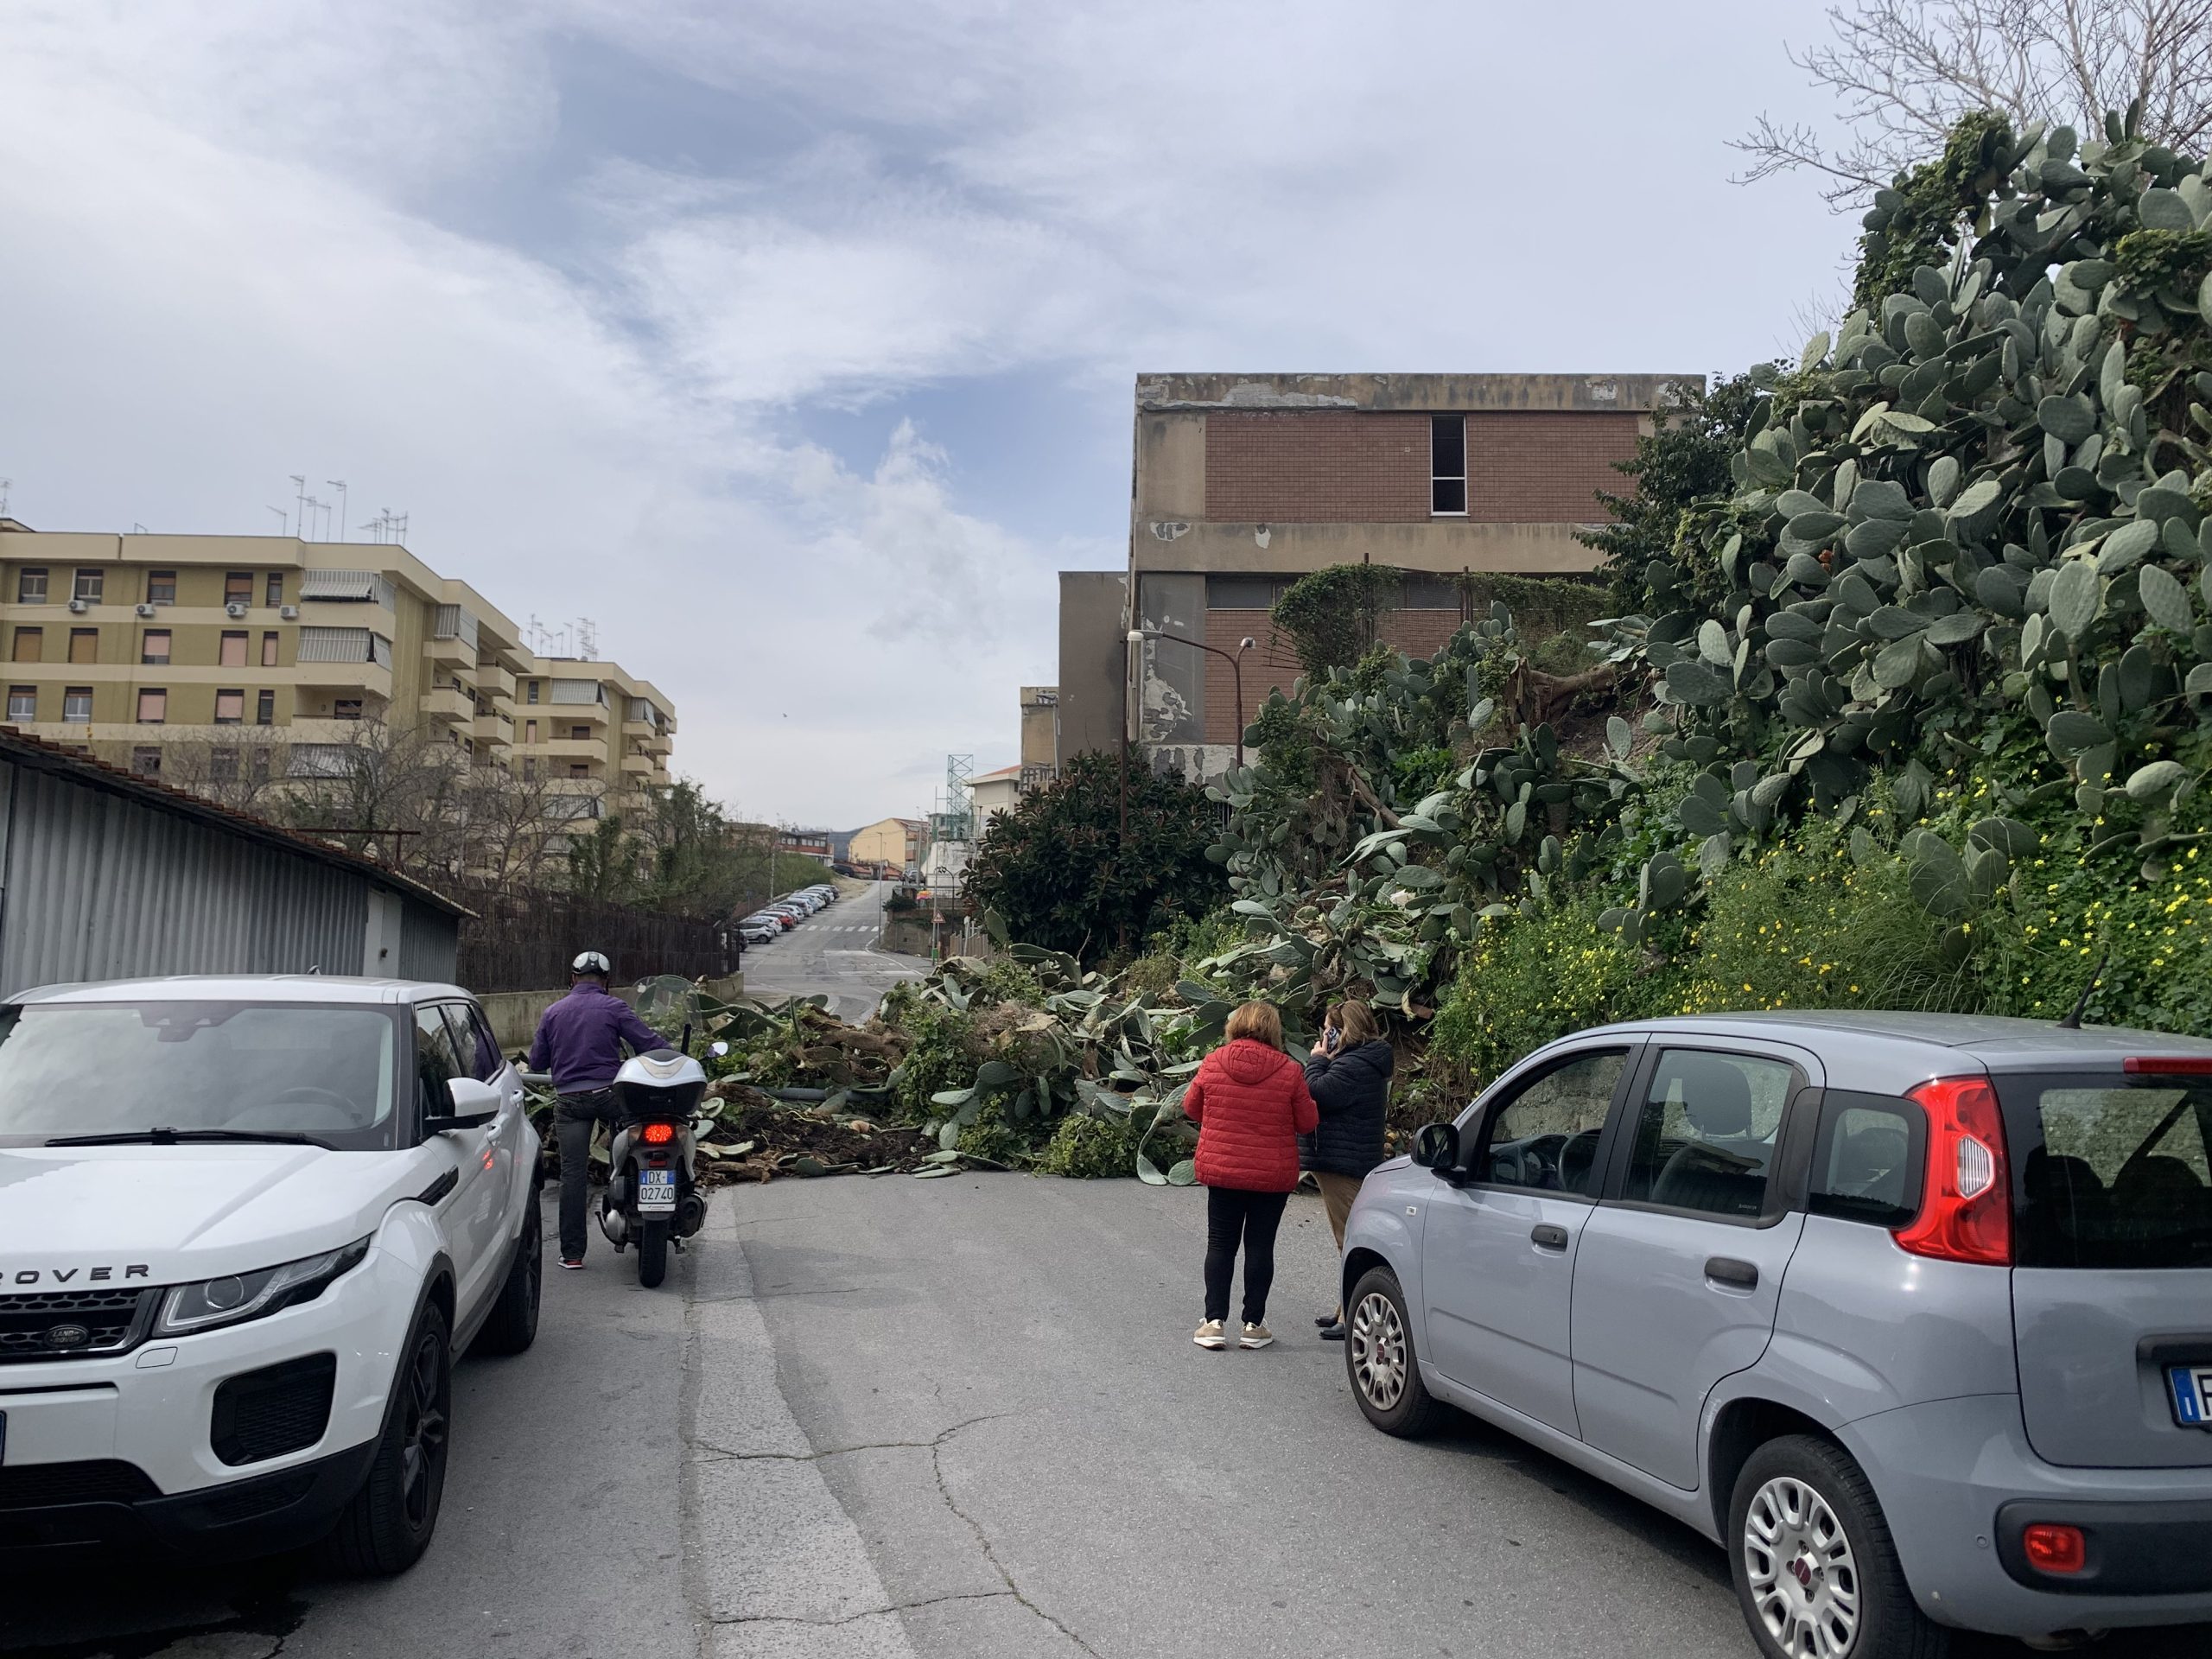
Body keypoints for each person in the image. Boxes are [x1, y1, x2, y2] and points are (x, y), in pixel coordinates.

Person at [1180, 1001, 1317, 1351]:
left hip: (1224, 1171)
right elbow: (1307, 1122)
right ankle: (1253, 1325)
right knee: (1260, 1246)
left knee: (1221, 1244)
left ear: (1235, 1026)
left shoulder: (1214, 1061)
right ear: (1273, 1029)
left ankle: (1213, 1323)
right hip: (1271, 1175)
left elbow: (1191, 1108)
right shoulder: (1289, 1070)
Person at [529, 950, 663, 1270]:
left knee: (572, 1175)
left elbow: (536, 1063)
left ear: (572, 978)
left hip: (570, 1100)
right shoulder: (614, 1007)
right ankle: (633, 1209)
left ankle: (572, 1254)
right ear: (606, 981)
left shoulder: (553, 1012)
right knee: (634, 1151)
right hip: (610, 1096)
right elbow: (649, 1045)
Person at [1300, 1001, 1393, 1341]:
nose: (1324, 1034)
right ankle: (1345, 1308)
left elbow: (1316, 1091)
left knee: (1350, 1240)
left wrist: (1317, 1058)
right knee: (1346, 1238)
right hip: (1342, 1160)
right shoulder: (1363, 1062)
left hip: (1343, 1163)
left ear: (1341, 1030)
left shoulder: (1354, 1065)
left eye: (1328, 1029)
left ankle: (1352, 1314)